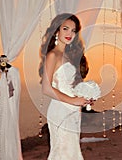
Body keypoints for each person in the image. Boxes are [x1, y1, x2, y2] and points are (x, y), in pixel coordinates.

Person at [39, 13, 92, 160]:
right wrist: (73, 100)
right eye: (66, 29)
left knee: (72, 152)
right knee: (63, 152)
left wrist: (83, 97)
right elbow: (46, 88)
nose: (70, 34)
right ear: (57, 30)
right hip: (61, 110)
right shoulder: (53, 55)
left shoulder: (68, 55)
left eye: (73, 31)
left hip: (73, 111)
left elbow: (68, 85)